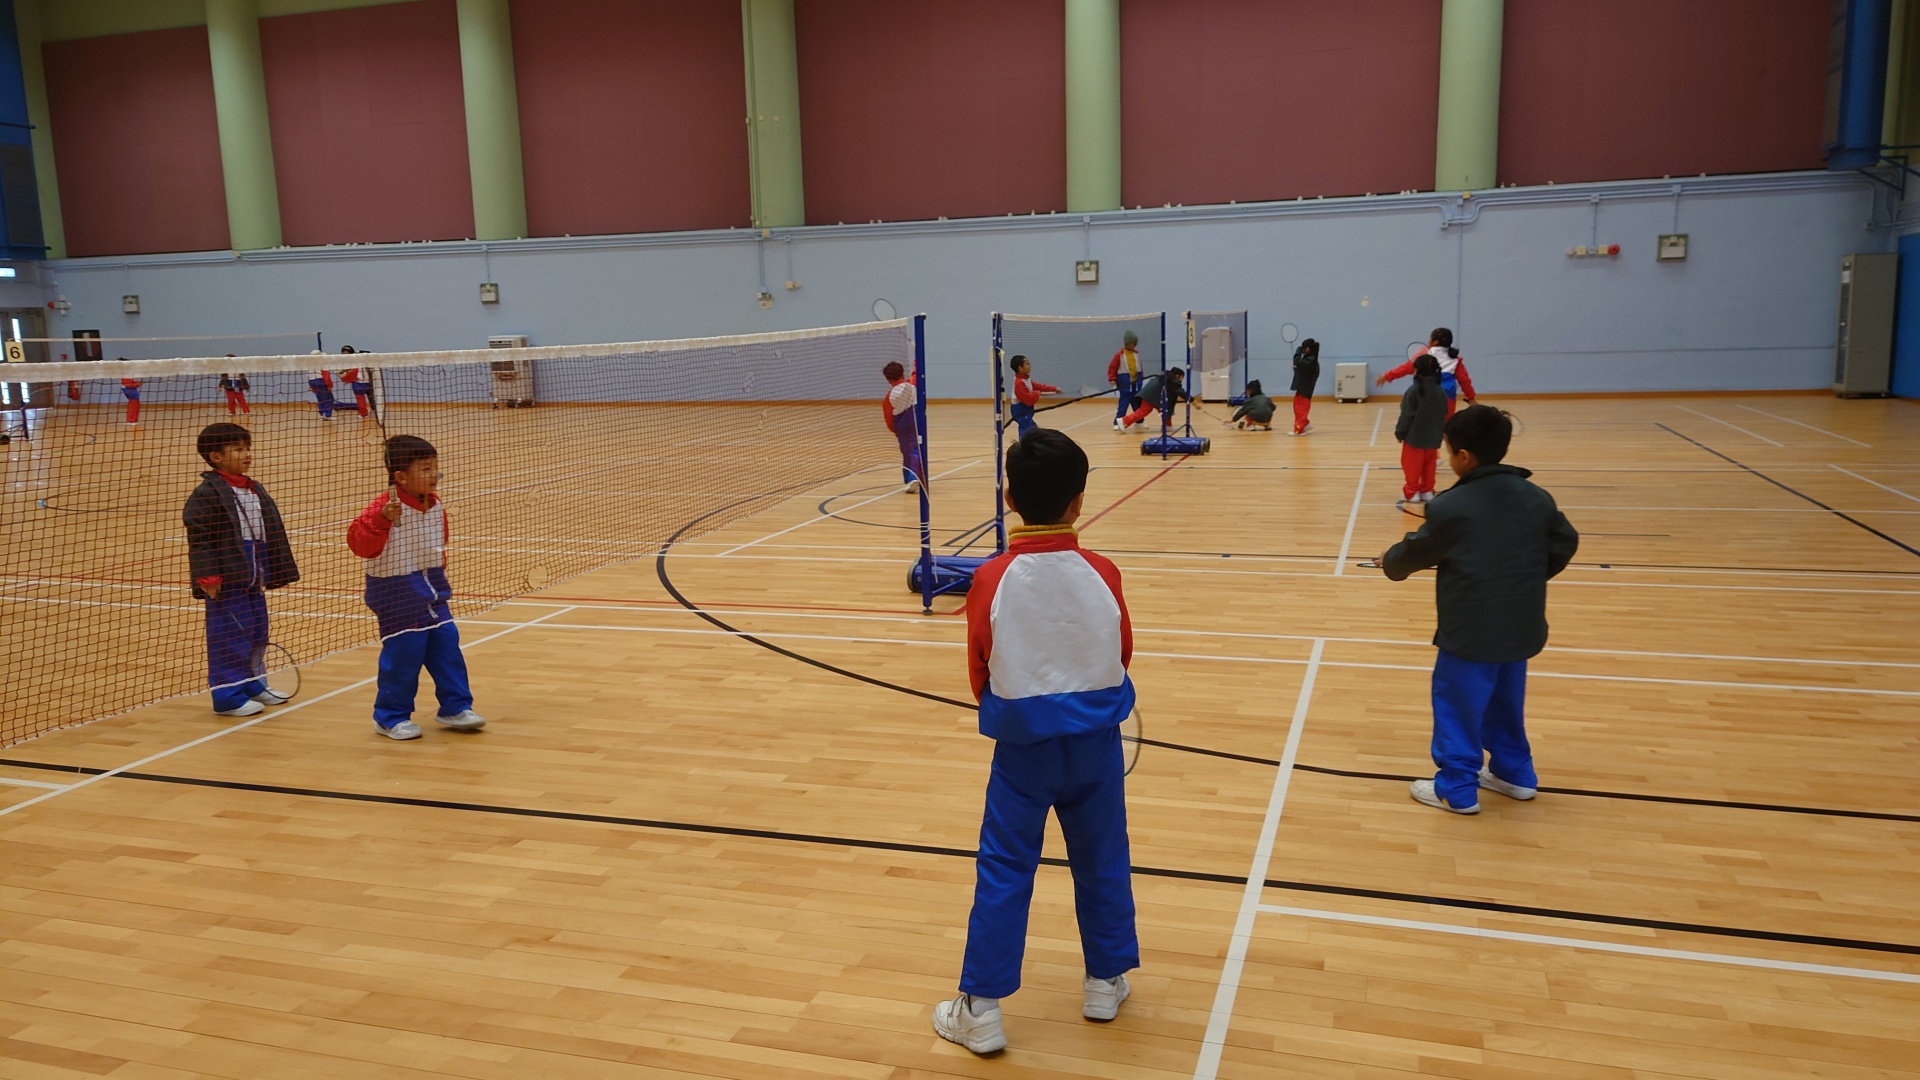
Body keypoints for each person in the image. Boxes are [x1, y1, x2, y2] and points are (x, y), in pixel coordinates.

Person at [932, 428, 1138, 1055]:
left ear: (1008, 498)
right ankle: (1105, 981)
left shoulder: (991, 578)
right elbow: (1123, 649)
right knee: (1103, 858)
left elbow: (980, 664)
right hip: (1097, 746)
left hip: (1023, 753)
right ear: (1079, 500)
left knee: (1004, 868)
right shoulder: (1104, 571)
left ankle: (981, 1010)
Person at [1377, 406, 1579, 814]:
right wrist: (1525, 578)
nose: (1446, 458)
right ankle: (1514, 773)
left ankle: (1456, 790)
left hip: (1471, 631)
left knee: (1458, 705)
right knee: (1505, 700)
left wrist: (1390, 561)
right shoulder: (1536, 498)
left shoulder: (1453, 506)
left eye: (1448, 451)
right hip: (1520, 625)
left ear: (1465, 456)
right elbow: (1564, 542)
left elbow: (1415, 552)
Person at [347, 435, 485, 741]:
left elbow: (438, 545)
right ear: (400, 477)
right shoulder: (383, 507)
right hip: (396, 593)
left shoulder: (435, 505)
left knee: (447, 647)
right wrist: (382, 519)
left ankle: (455, 707)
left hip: (432, 590)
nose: (434, 475)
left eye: (435, 467)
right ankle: (390, 717)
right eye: (425, 469)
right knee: (404, 657)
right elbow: (360, 545)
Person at [184, 422, 300, 716]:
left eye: (247, 448)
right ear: (216, 457)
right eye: (238, 449)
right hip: (227, 577)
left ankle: (254, 685)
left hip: (254, 572)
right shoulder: (207, 494)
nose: (247, 454)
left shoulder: (253, 488)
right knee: (230, 636)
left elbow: (270, 529)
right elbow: (200, 538)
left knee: (257, 631)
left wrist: (276, 567)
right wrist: (207, 575)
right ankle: (228, 696)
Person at [1376, 328, 1476, 417]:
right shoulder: (1455, 359)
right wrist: (1471, 398)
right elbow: (1464, 380)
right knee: (1445, 428)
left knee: (1424, 425)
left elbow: (1406, 368)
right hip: (1447, 399)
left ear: (1435, 341)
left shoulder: (1424, 353)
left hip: (1425, 396)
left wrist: (1387, 376)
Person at [1396, 353, 1447, 503]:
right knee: (1429, 465)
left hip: (1415, 437)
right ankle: (1427, 490)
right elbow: (1444, 413)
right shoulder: (1441, 392)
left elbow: (1407, 415)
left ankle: (1412, 492)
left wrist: (1400, 432)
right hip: (1434, 438)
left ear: (1417, 370)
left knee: (1412, 466)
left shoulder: (1413, 391)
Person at [880, 360, 926, 493]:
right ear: (902, 373)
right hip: (917, 422)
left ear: (888, 379)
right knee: (917, 449)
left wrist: (894, 430)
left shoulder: (889, 397)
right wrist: (917, 359)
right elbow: (916, 373)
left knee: (909, 452)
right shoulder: (912, 384)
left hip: (902, 426)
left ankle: (912, 478)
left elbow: (888, 417)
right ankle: (917, 477)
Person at [1118, 367, 1189, 431]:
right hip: (1151, 397)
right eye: (1182, 377)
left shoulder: (1165, 377)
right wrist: (1190, 399)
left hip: (1153, 396)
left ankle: (1167, 426)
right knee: (1143, 411)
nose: (1181, 380)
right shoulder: (1172, 381)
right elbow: (1180, 392)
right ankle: (1123, 421)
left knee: (1164, 410)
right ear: (1178, 376)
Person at [1008, 354, 1058, 439]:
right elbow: (1028, 399)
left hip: (1025, 409)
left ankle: (1029, 443)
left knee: (1032, 429)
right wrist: (1039, 393)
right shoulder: (1019, 383)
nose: (1030, 366)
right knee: (1027, 430)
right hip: (1020, 410)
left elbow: (1038, 386)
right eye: (1027, 364)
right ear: (1020, 368)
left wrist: (1054, 389)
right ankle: (1024, 445)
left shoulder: (1025, 379)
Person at [1106, 330, 1141, 431]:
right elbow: (1112, 367)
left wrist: (1141, 377)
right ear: (1127, 343)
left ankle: (1139, 421)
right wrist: (1112, 378)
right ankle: (1118, 421)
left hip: (1136, 383)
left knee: (1137, 403)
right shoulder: (1119, 355)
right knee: (1123, 404)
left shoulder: (1136, 354)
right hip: (1125, 384)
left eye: (1134, 343)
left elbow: (1139, 367)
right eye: (1131, 343)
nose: (1133, 345)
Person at [1289, 338, 1321, 435]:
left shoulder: (1311, 360)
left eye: (1303, 348)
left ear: (1307, 349)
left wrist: (1297, 352)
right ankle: (1306, 424)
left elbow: (1297, 361)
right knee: (1297, 407)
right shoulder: (1310, 359)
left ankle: (1299, 429)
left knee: (1300, 409)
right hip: (1302, 388)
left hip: (1305, 389)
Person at [339, 345, 373, 417]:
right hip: (361, 382)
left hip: (361, 383)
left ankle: (364, 413)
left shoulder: (355, 361)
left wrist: (345, 378)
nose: (345, 355)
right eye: (343, 354)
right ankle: (366, 412)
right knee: (362, 398)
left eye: (346, 353)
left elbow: (353, 372)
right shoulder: (352, 361)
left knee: (366, 398)